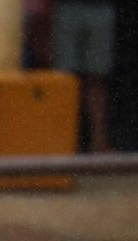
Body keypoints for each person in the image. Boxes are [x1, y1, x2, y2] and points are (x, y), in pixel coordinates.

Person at [52, 0, 116, 153]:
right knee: (64, 80)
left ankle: (98, 142)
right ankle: (61, 142)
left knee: (97, 77)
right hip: (67, 8)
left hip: (99, 8)